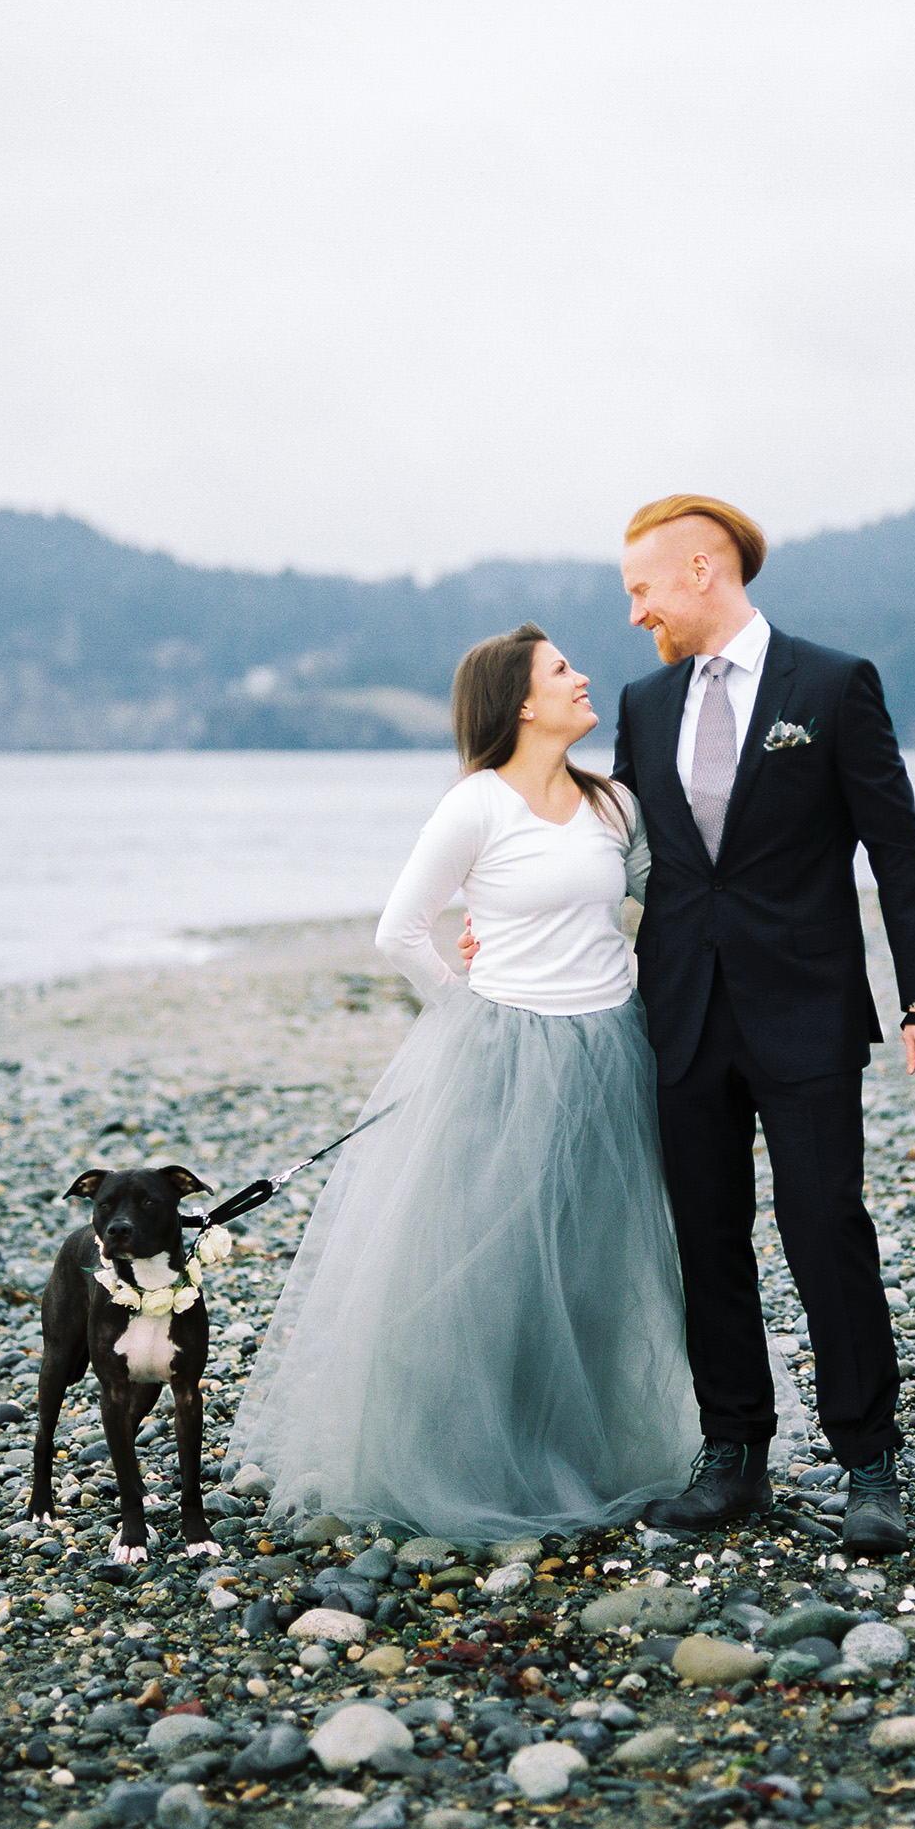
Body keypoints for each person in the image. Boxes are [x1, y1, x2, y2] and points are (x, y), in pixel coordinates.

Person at [226, 623, 699, 1541]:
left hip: (612, 1049)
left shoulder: (614, 804)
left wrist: (640, 972)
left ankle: (592, 1452)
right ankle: (489, 1462)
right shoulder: (474, 807)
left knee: (599, 1270)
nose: (584, 676)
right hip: (506, 1058)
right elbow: (399, 933)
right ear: (522, 702)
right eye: (563, 670)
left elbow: (665, 902)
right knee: (500, 1270)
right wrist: (464, 1005)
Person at [612, 493, 915, 1554]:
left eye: (643, 588)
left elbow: (897, 851)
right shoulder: (643, 699)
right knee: (705, 1237)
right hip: (681, 1011)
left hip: (806, 1006)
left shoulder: (835, 683)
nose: (634, 613)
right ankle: (734, 1454)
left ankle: (868, 1459)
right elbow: (623, 860)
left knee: (823, 1223)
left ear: (704, 571)